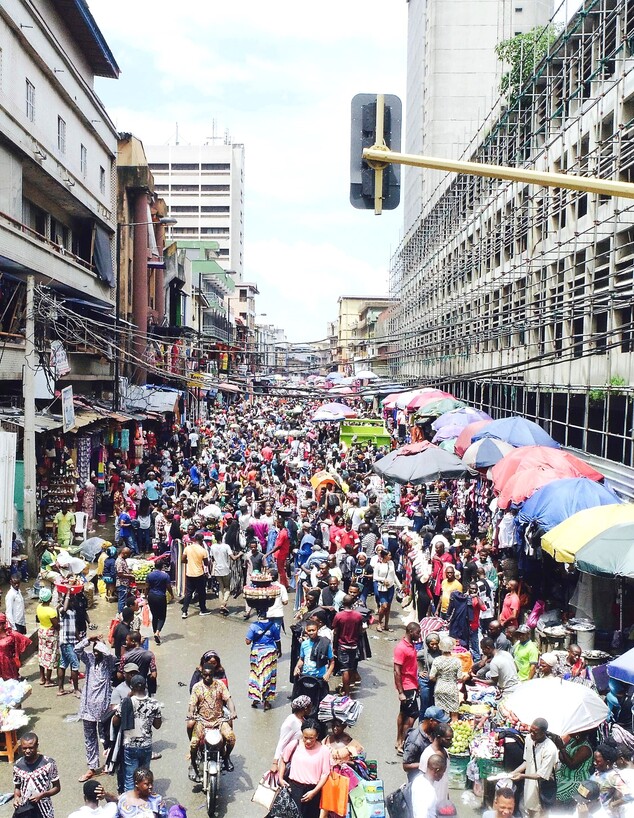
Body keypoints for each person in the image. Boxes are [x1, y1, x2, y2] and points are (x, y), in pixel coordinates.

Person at [76, 636, 117, 783]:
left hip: (104, 709)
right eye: (94, 651)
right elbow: (77, 649)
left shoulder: (108, 663)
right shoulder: (89, 660)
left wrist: (101, 645)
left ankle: (109, 763)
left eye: (98, 651)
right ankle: (92, 767)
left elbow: (111, 655)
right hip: (87, 708)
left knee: (106, 738)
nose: (96, 653)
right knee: (89, 739)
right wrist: (89, 639)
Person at [187, 663, 237, 778]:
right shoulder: (197, 687)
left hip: (219, 720)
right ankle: (193, 764)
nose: (207, 678)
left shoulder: (220, 685)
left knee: (231, 738)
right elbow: (192, 704)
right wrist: (190, 713)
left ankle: (225, 757)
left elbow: (229, 700)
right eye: (205, 675)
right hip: (202, 721)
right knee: (193, 744)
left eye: (210, 675)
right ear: (202, 674)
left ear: (213, 674)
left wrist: (233, 711)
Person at [113, 676, 162, 792]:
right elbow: (157, 725)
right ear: (145, 686)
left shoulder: (127, 702)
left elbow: (115, 722)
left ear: (131, 687)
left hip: (130, 745)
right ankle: (144, 802)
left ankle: (130, 805)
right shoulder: (154, 703)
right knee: (144, 776)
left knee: (130, 777)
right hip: (146, 745)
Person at [278, 718, 331, 818]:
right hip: (294, 789)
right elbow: (283, 760)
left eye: (312, 738)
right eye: (305, 737)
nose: (308, 741)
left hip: (313, 791)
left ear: (317, 736)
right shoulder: (294, 745)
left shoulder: (324, 751)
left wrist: (314, 792)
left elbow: (325, 774)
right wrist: (280, 778)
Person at [511, 718, 559, 818]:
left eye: (535, 732)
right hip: (529, 788)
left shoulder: (550, 749)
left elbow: (542, 775)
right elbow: (527, 762)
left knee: (538, 814)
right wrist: (513, 772)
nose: (532, 734)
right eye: (531, 730)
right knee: (527, 811)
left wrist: (522, 776)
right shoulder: (529, 739)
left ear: (543, 733)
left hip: (541, 790)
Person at [12, 733, 61, 818]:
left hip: (44, 809)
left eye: (31, 748)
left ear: (37, 746)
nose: (27, 751)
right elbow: (17, 787)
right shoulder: (17, 766)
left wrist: (42, 795)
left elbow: (57, 787)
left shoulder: (48, 763)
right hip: (26, 810)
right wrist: (16, 797)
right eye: (24, 748)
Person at [394, 622, 422, 755]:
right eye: (418, 633)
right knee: (413, 714)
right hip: (406, 686)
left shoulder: (411, 646)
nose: (419, 635)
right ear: (411, 632)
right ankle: (403, 742)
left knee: (403, 713)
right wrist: (401, 692)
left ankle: (399, 741)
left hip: (412, 684)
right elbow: (397, 671)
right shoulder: (401, 648)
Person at [402, 706, 450, 781]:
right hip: (419, 779)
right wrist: (427, 763)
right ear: (431, 721)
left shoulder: (434, 731)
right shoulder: (415, 740)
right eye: (439, 722)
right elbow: (406, 766)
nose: (441, 725)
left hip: (434, 776)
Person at [246, 614, 282, 711]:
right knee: (270, 676)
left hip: (257, 653)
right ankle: (266, 701)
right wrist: (280, 651)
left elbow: (247, 641)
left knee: (256, 675)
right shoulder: (273, 626)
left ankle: (256, 698)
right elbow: (278, 640)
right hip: (270, 653)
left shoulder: (253, 626)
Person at [270, 696, 313, 774]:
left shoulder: (303, 720)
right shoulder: (291, 722)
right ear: (305, 708)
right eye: (310, 707)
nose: (311, 709)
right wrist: (275, 763)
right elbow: (281, 742)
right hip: (288, 759)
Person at [551, 730, 594, 806]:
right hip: (563, 775)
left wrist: (561, 748)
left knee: (555, 796)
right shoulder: (572, 741)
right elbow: (563, 757)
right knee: (547, 786)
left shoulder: (585, 748)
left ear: (578, 733)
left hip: (575, 780)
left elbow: (572, 765)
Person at [332, 594, 364, 695]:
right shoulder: (358, 616)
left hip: (343, 646)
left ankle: (346, 692)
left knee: (344, 670)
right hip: (354, 646)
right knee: (350, 668)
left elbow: (335, 632)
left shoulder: (339, 616)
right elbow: (360, 631)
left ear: (343, 603)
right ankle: (348, 688)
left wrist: (334, 646)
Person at [429, 636, 467, 720]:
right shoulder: (457, 661)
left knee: (440, 715)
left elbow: (431, 677)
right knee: (454, 714)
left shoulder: (437, 660)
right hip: (452, 688)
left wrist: (439, 680)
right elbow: (460, 678)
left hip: (439, 688)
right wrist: (466, 677)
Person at [57, 593, 83, 698]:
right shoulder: (61, 611)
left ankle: (60, 689)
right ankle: (76, 690)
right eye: (71, 600)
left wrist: (80, 640)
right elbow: (65, 607)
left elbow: (74, 627)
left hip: (71, 641)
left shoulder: (73, 611)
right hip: (66, 642)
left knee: (63, 664)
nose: (73, 602)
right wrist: (68, 592)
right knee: (75, 664)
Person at [419, 723, 454, 801]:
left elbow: (444, 778)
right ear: (438, 737)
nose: (451, 742)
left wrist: (447, 799)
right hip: (432, 800)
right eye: (448, 739)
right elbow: (424, 782)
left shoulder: (445, 751)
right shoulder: (428, 755)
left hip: (442, 799)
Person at [181, 533, 211, 618]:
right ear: (202, 540)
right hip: (199, 574)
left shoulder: (188, 548)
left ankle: (184, 611)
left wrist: (189, 562)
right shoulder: (203, 550)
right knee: (202, 593)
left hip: (189, 574)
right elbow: (206, 563)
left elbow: (182, 559)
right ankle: (203, 610)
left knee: (188, 593)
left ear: (194, 539)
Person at [209, 535, 240, 616]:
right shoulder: (226, 546)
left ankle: (221, 605)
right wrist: (239, 554)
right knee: (227, 588)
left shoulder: (212, 547)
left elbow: (212, 559)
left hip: (217, 570)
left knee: (220, 587)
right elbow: (233, 558)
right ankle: (224, 604)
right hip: (225, 569)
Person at [145, 558, 173, 645]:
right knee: (162, 617)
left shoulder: (149, 575)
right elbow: (168, 587)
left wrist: (146, 596)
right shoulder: (165, 576)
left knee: (155, 616)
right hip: (161, 597)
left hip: (151, 597)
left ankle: (155, 633)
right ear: (162, 566)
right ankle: (157, 632)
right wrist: (172, 595)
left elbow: (147, 587)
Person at [411, 753, 448, 818]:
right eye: (443, 772)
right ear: (437, 770)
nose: (443, 775)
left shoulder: (418, 779)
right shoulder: (429, 791)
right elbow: (421, 815)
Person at [373, 548, 400, 632]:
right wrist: (383, 580)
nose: (390, 556)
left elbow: (394, 575)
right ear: (384, 556)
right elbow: (375, 577)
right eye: (389, 555)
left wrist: (399, 585)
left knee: (388, 607)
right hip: (382, 588)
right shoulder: (378, 565)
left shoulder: (391, 563)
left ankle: (386, 625)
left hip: (391, 587)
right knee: (384, 606)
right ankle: (379, 623)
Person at [36, 588, 59, 687]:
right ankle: (48, 680)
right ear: (50, 598)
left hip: (41, 631)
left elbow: (38, 619)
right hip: (50, 633)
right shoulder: (51, 611)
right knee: (50, 655)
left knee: (42, 654)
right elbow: (56, 625)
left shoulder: (39, 607)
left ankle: (42, 678)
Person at [0, 612, 31, 681]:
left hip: (7, 665)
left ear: (4, 624)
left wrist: (15, 655)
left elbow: (25, 642)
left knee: (10, 684)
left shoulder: (12, 635)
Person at [115, 548, 134, 614]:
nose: (128, 556)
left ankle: (124, 613)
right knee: (122, 600)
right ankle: (121, 614)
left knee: (124, 599)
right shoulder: (119, 561)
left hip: (125, 583)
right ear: (124, 553)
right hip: (122, 584)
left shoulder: (123, 560)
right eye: (128, 555)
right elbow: (120, 574)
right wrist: (130, 576)